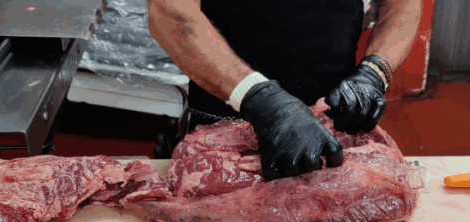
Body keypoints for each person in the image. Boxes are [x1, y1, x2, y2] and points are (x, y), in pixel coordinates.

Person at [147, 0, 421, 179]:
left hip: (334, 125)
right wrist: (259, 98)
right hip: (222, 132)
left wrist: (373, 72)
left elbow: (402, 6)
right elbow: (171, 12)